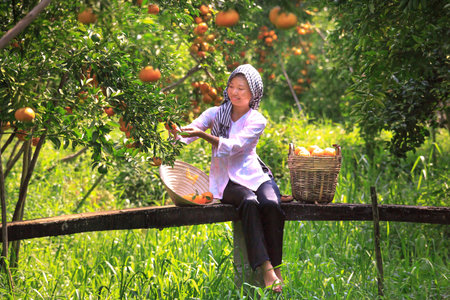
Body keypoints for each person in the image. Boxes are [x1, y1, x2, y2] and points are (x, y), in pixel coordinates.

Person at [169, 64, 285, 292]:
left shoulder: (257, 120)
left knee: (271, 204)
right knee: (250, 203)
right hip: (227, 182)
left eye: (242, 88)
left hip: (255, 175)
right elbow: (189, 132)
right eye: (232, 86)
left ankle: (277, 266)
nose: (235, 92)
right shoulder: (215, 113)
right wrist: (174, 133)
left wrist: (204, 136)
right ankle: (267, 269)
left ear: (253, 94)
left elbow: (236, 146)